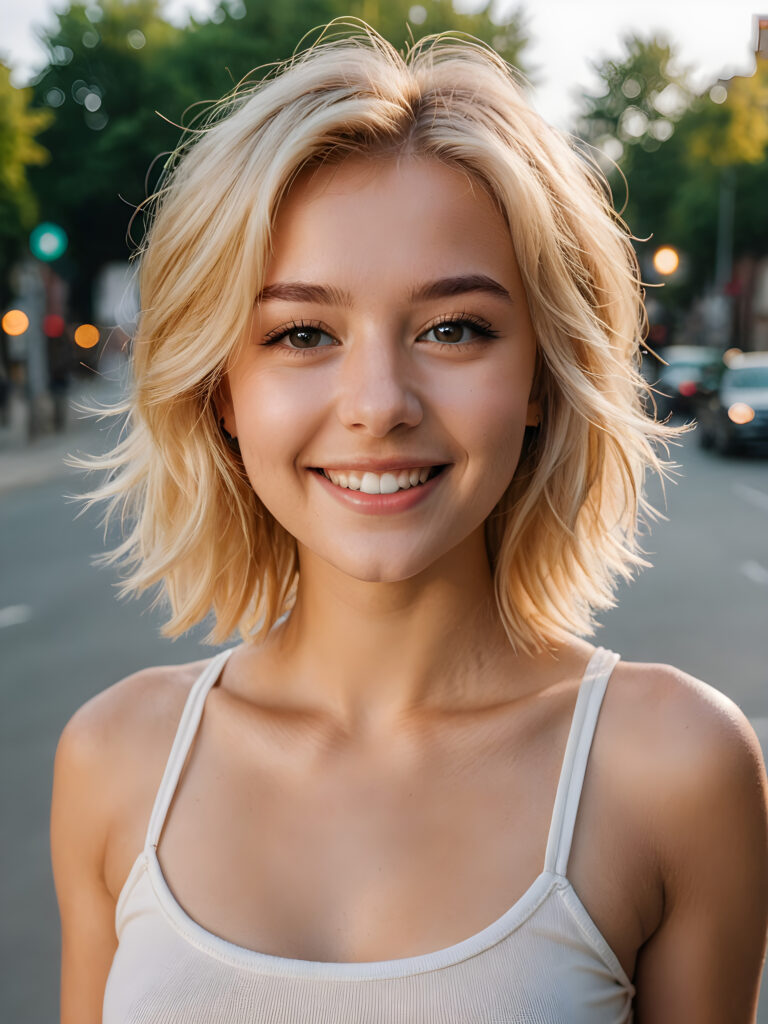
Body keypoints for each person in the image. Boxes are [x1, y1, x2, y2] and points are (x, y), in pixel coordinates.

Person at [51, 22, 768, 1024]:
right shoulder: (113, 759)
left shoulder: (675, 768)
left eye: (453, 328)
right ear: (222, 389)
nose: (378, 401)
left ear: (537, 377)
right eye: (302, 333)